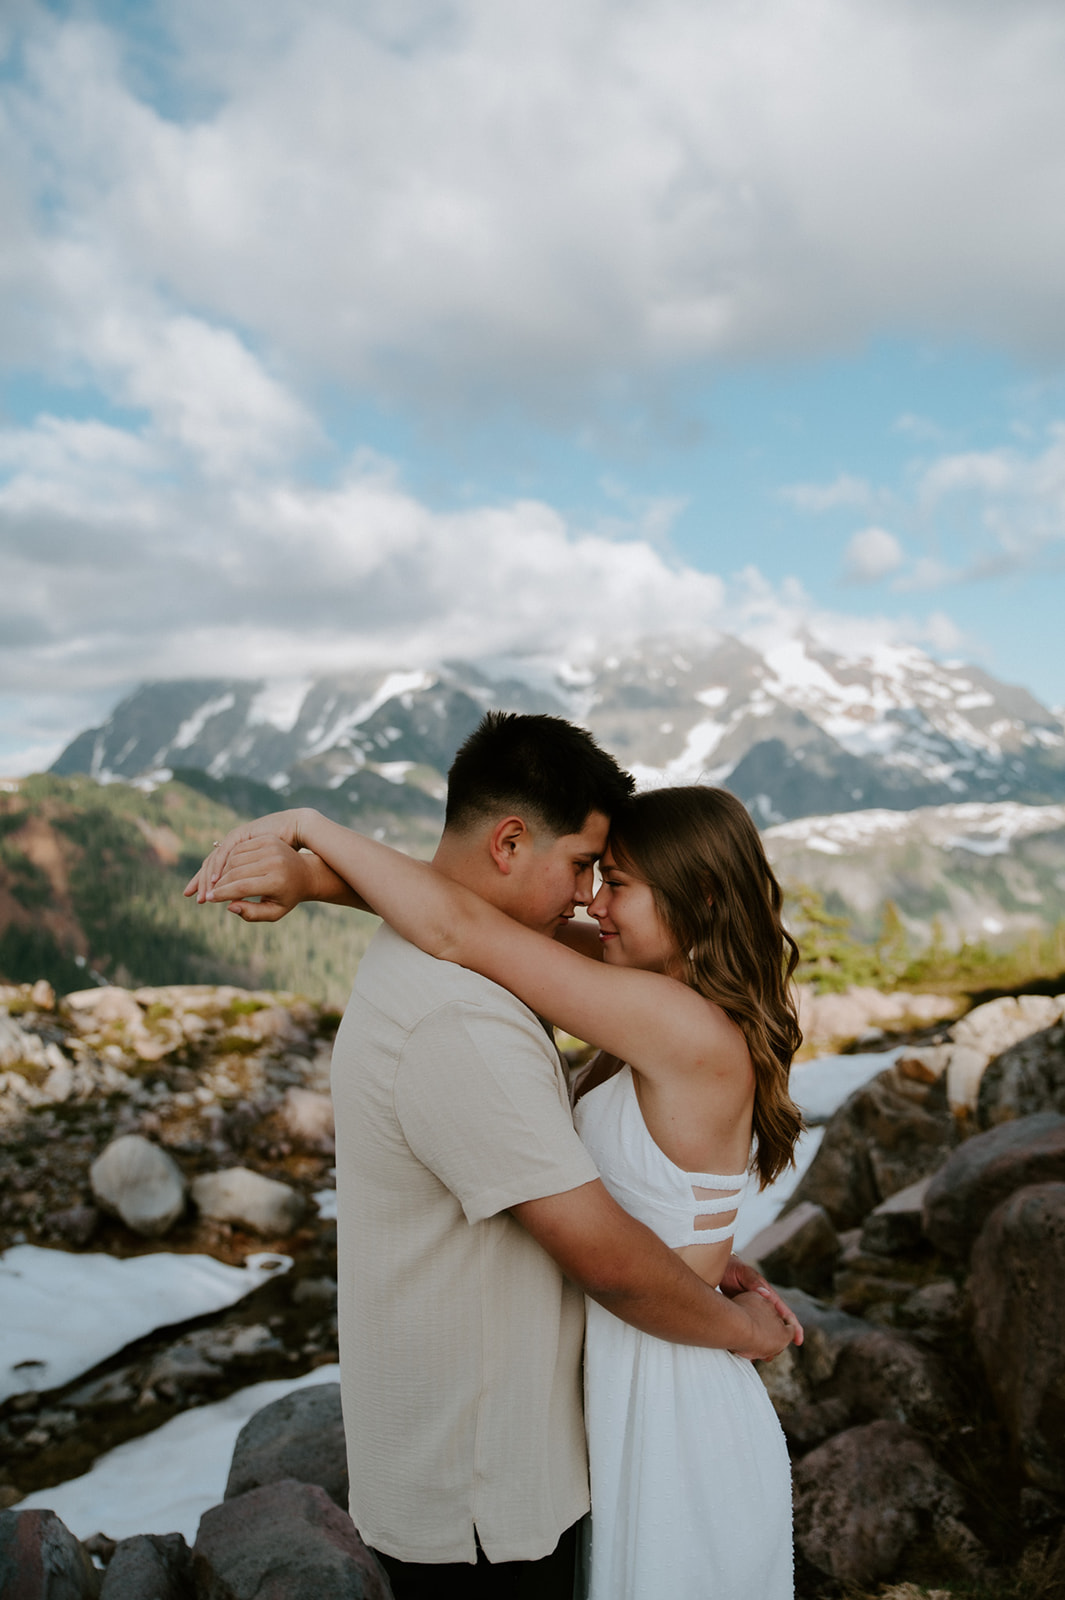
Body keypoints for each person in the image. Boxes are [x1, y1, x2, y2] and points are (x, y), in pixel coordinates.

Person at [188, 713, 800, 1599]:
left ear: (698, 901)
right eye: (588, 867)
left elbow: (461, 930)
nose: (591, 899)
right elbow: (464, 917)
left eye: (612, 878)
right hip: (611, 1385)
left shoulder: (671, 1018)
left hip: (663, 1377)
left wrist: (313, 835)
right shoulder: (651, 987)